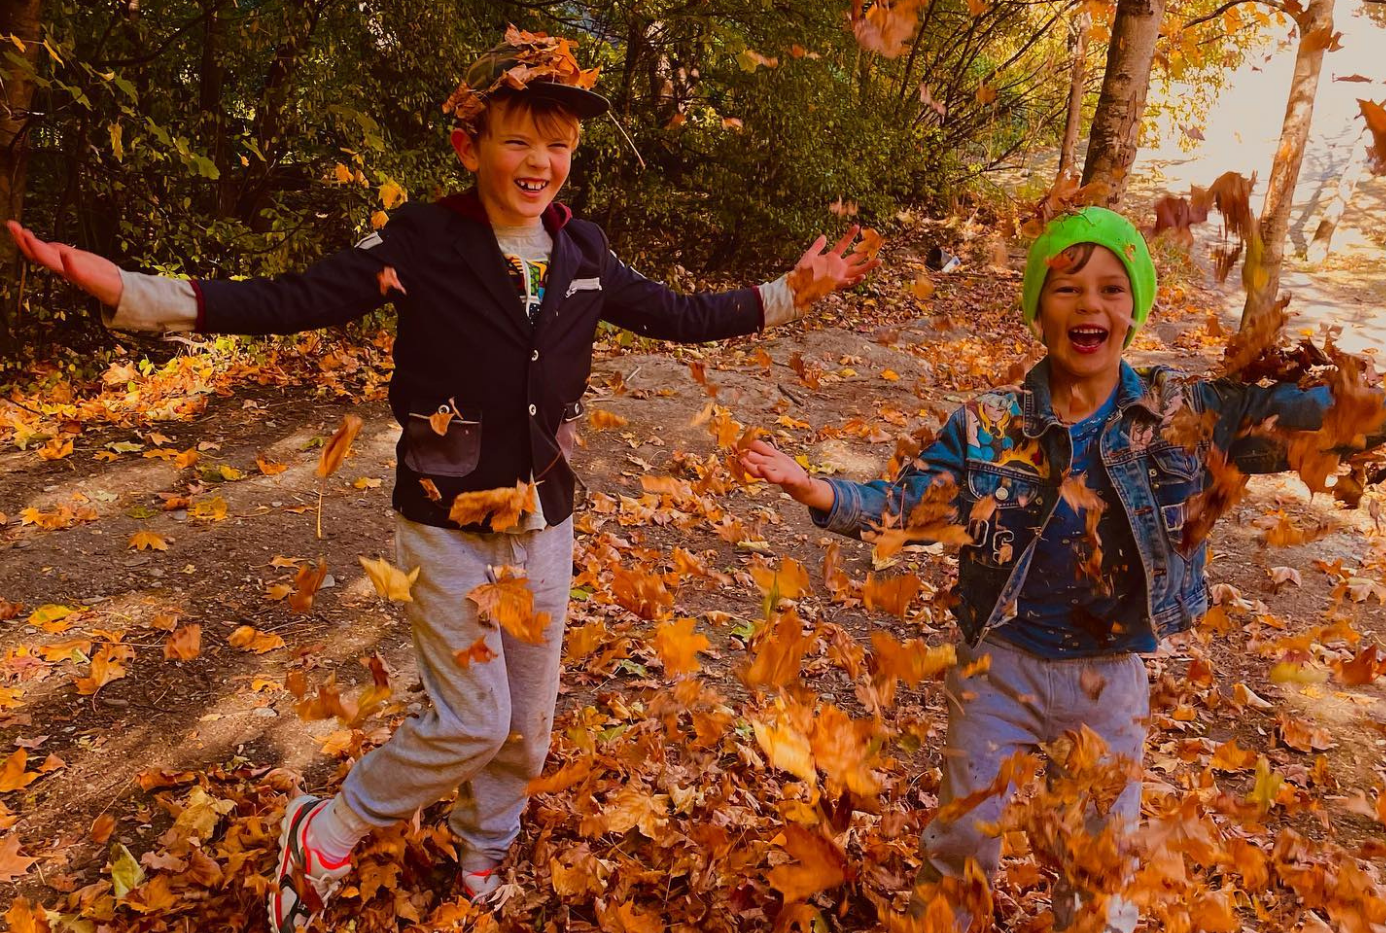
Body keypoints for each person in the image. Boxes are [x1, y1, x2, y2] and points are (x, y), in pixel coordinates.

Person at [7, 30, 879, 933]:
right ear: (470, 146)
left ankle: (484, 849)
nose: (541, 160)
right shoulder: (419, 240)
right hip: (444, 519)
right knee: (471, 719)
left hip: (545, 522)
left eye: (560, 145)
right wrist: (135, 291)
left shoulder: (584, 253)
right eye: (519, 139)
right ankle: (328, 827)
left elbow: (679, 313)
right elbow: (290, 297)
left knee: (524, 729)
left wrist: (787, 291)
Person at [739, 206, 1386, 932]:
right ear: (1037, 312)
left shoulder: (1181, 412)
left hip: (1109, 678)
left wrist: (1376, 410)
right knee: (962, 837)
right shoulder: (989, 424)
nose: (1091, 304)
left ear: (1135, 312)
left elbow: (1293, 415)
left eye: (1113, 289)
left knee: (1099, 859)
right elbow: (912, 501)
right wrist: (824, 491)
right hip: (998, 667)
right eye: (1067, 288)